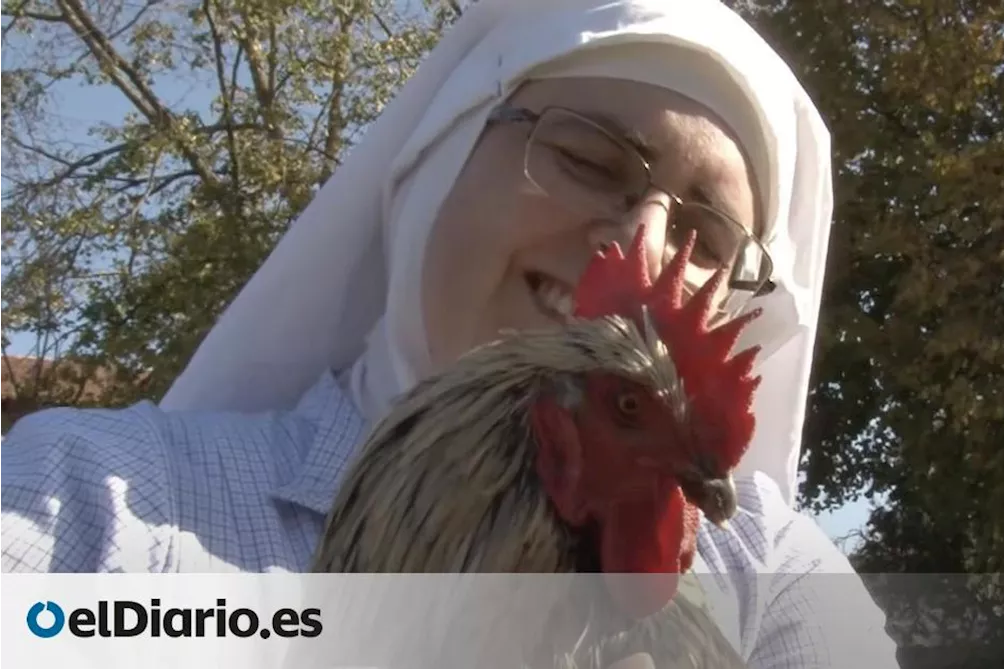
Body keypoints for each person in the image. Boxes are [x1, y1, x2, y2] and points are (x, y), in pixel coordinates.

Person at [0, 0, 899, 667]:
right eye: (589, 159)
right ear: (442, 160)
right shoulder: (106, 508)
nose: (642, 240)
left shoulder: (770, 570)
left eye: (707, 237)